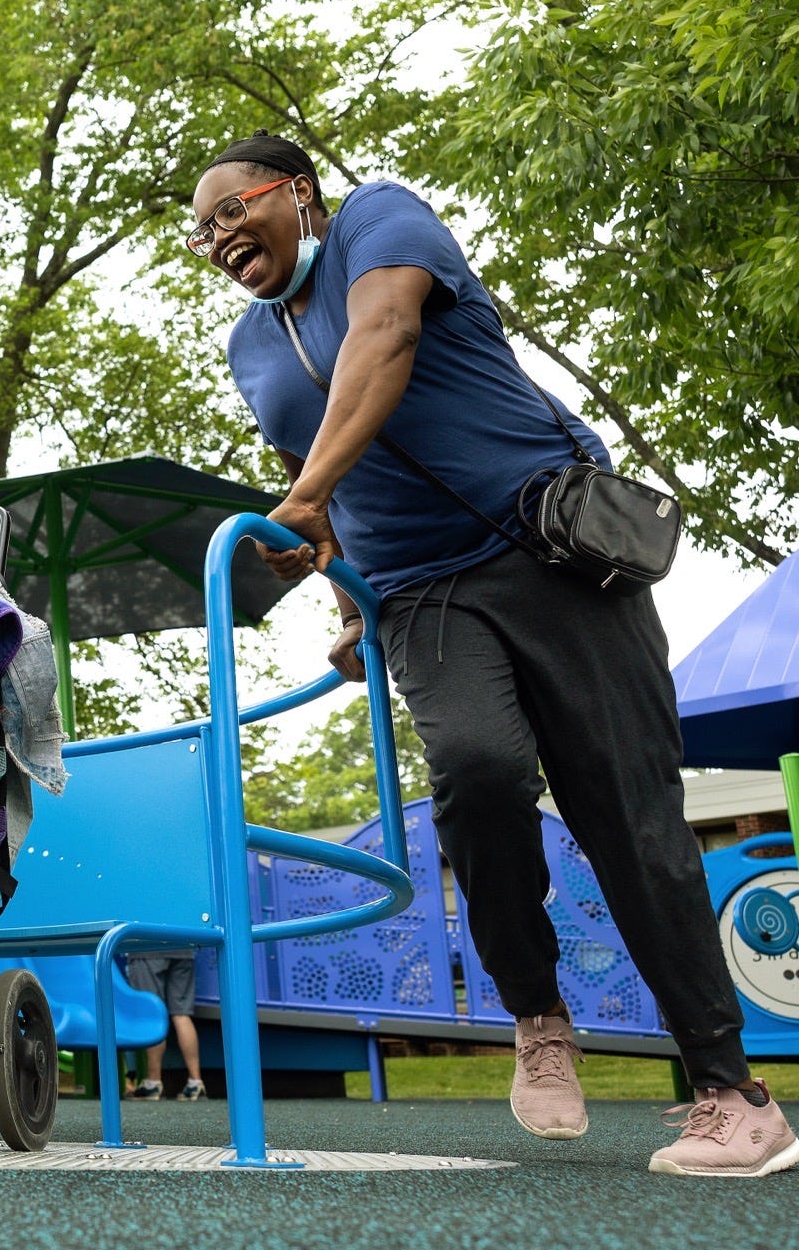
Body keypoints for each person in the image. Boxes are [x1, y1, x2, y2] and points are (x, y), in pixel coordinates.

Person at [192, 129, 796, 1178]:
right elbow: (317, 484)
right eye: (196, 231)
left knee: (626, 814)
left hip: (546, 548)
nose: (213, 238)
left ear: (293, 191)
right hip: (421, 593)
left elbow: (381, 340)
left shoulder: (378, 218)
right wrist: (341, 593)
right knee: (472, 768)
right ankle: (536, 1014)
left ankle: (728, 1093)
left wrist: (301, 497)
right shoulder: (248, 346)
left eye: (229, 210)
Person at [122, 948, 205, 1100]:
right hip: (183, 946)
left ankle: (153, 1083)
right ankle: (195, 1082)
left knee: (153, 1016)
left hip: (147, 947)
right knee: (182, 1014)